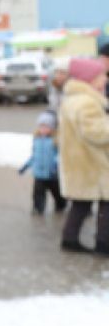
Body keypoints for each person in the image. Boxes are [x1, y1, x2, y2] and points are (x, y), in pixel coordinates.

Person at [57, 57, 109, 256]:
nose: (105, 79)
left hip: (80, 164)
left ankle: (69, 239)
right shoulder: (88, 103)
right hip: (93, 164)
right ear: (90, 79)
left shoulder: (73, 100)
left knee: (80, 205)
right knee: (106, 205)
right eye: (101, 76)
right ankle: (104, 244)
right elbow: (96, 134)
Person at [20, 110, 64, 215]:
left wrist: (55, 165)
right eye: (41, 127)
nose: (43, 130)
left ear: (52, 128)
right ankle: (38, 208)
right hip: (39, 174)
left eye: (46, 127)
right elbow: (34, 156)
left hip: (52, 174)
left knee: (57, 193)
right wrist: (25, 166)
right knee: (37, 193)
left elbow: (59, 156)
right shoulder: (37, 139)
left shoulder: (55, 140)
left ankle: (61, 205)